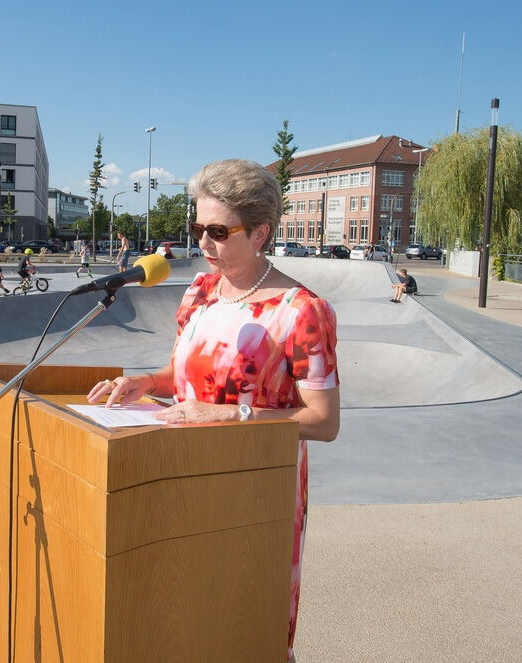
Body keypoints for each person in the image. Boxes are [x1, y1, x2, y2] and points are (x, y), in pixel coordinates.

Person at [86, 159, 340, 662]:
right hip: (181, 478)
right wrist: (146, 381)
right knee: (182, 614)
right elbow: (185, 376)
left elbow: (323, 422)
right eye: (197, 227)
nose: (203, 242)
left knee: (245, 622)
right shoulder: (199, 292)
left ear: (261, 232)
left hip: (256, 491)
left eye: (219, 231)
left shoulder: (301, 310)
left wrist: (228, 416)